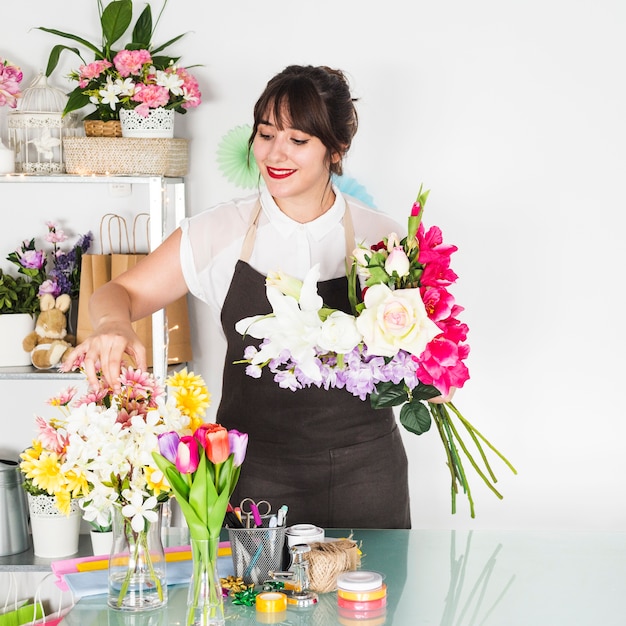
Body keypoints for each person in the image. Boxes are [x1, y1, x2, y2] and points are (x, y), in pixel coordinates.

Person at [65, 64, 412, 529]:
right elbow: (120, 291)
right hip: (254, 476)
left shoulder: (384, 236)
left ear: (337, 147)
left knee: (369, 602)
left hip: (365, 475)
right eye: (266, 134)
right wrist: (113, 323)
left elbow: (417, 348)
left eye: (298, 140)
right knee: (249, 602)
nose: (275, 153)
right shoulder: (218, 231)